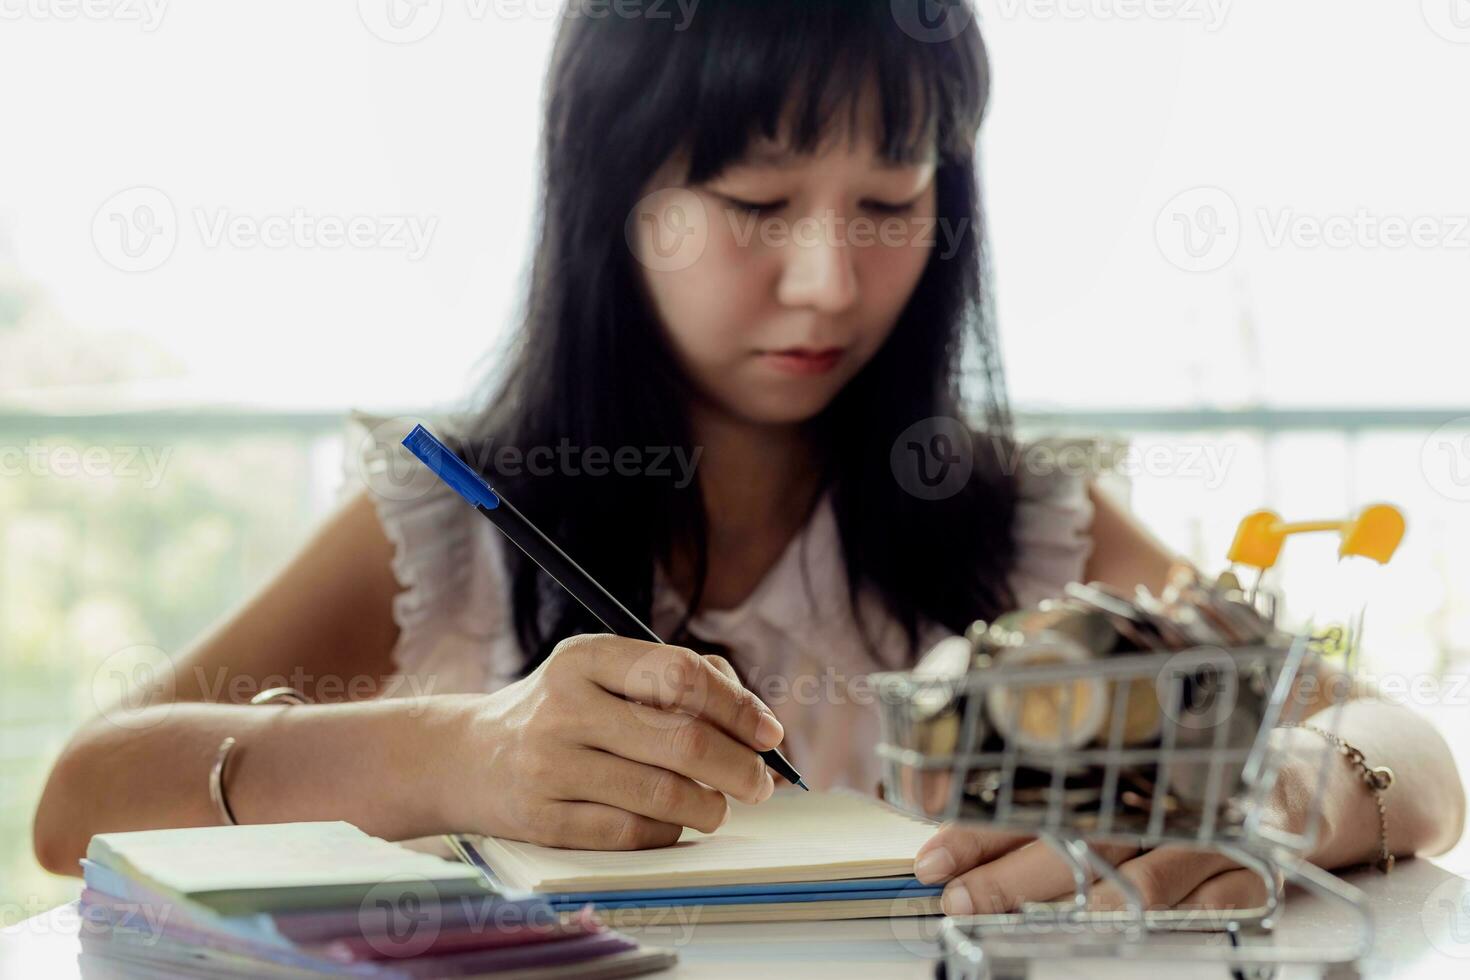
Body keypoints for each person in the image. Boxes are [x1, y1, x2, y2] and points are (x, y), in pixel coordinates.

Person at [34, 0, 1464, 918]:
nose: (829, 284)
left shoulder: (1021, 523)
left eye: (889, 202)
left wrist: (1267, 798)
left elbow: (1413, 758)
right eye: (755, 202)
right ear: (611, 197)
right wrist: (450, 752)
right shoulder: (449, 525)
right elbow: (78, 799)